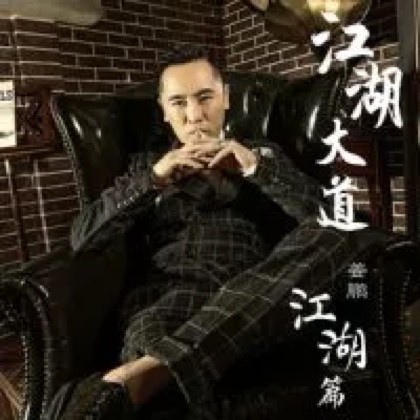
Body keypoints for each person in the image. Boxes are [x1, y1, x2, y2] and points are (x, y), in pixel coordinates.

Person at [48, 46, 389, 419]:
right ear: (164, 110)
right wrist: (154, 179)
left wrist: (256, 169)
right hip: (166, 300)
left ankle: (142, 375)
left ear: (225, 98)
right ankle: (163, 371)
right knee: (150, 343)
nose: (194, 115)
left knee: (341, 236)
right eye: (179, 102)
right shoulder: (145, 167)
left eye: (205, 97)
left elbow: (342, 223)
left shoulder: (263, 154)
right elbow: (83, 238)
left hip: (256, 295)